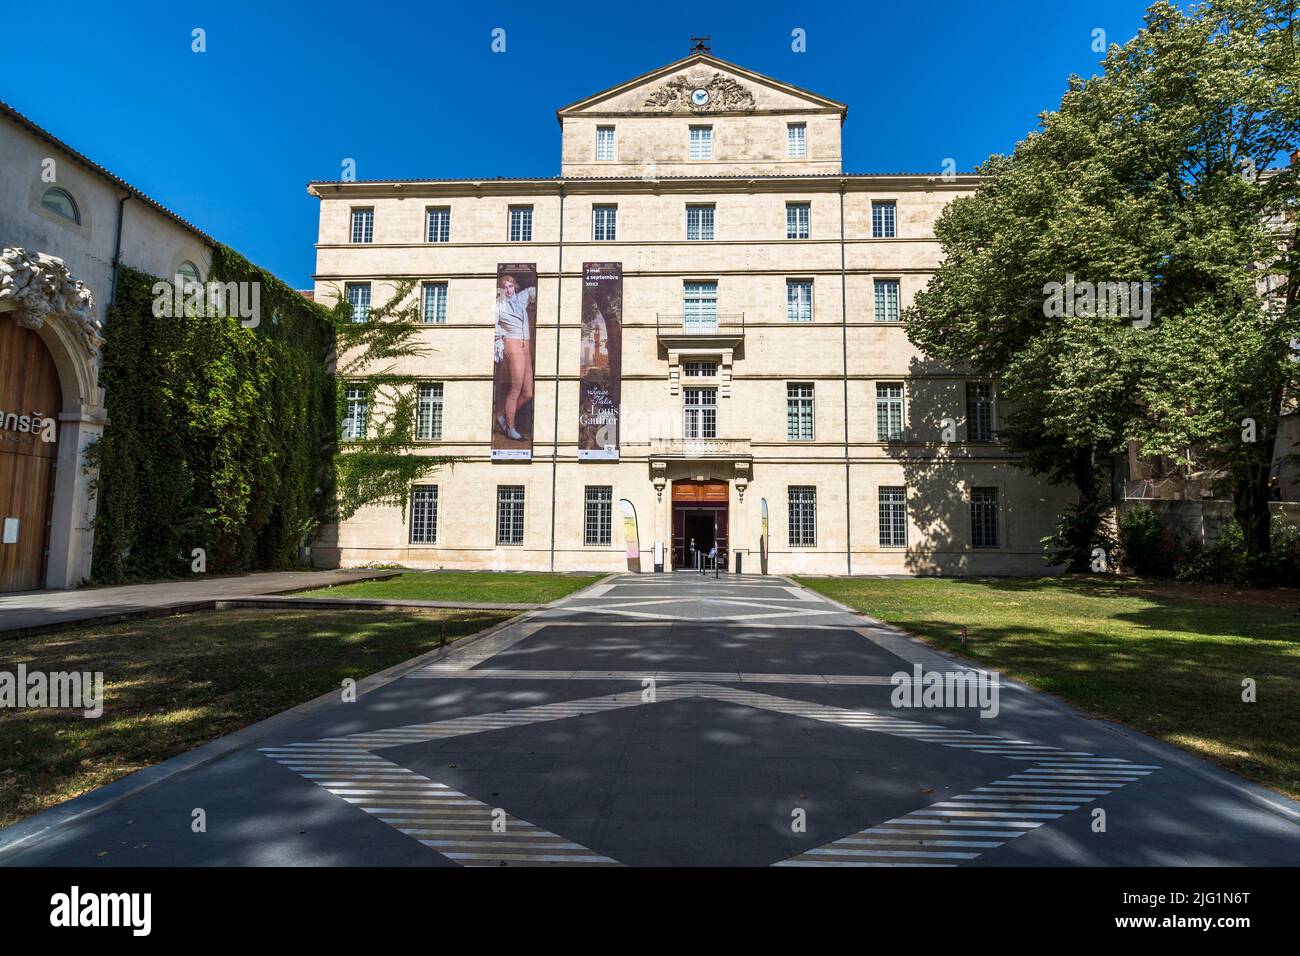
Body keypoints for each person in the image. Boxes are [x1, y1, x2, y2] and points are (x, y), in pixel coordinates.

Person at [493, 273, 536, 441]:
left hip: (526, 345)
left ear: (514, 286)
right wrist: (499, 340)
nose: (508, 289)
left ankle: (502, 417)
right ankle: (510, 428)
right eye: (504, 287)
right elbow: (494, 323)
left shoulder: (520, 298)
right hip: (512, 343)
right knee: (516, 389)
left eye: (510, 286)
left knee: (528, 392)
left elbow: (533, 290)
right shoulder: (499, 304)